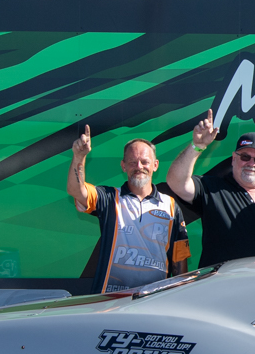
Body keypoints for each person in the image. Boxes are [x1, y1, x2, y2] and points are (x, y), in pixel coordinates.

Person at [67, 125, 190, 294]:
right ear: (123, 166)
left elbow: (179, 257)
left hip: (154, 299)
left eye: (145, 162)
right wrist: (79, 157)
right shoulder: (109, 197)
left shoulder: (170, 205)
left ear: (155, 165)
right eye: (132, 162)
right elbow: (76, 190)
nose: (139, 166)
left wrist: (180, 295)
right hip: (110, 299)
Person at [164, 111, 255, 267]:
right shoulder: (212, 188)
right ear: (234, 158)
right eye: (245, 157)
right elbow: (176, 181)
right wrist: (197, 146)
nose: (251, 163)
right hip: (220, 282)